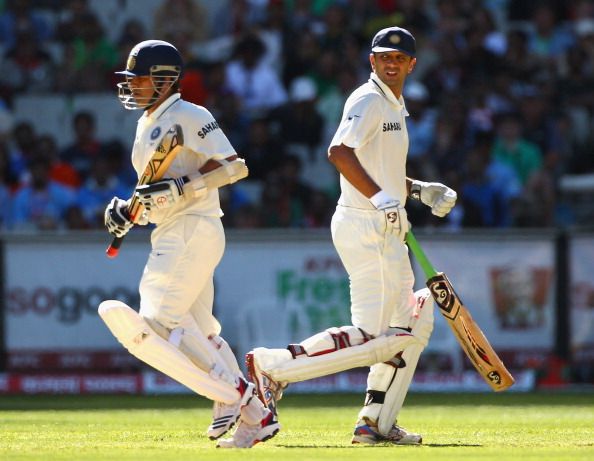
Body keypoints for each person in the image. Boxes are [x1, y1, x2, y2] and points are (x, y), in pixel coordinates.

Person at [246, 27, 457, 445]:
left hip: (385, 226)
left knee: (413, 320)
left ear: (412, 64)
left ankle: (375, 421)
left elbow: (382, 168)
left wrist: (416, 190)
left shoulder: (394, 104)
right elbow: (339, 152)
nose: (391, 63)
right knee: (379, 338)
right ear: (372, 61)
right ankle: (274, 366)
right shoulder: (368, 99)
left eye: (399, 58)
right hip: (367, 226)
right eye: (383, 57)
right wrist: (381, 199)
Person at [98, 40, 279, 449]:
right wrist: (129, 212)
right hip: (173, 229)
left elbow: (235, 167)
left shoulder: (191, 115)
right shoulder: (147, 123)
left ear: (163, 79)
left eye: (139, 79)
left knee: (161, 320)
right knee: (202, 329)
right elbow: (154, 191)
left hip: (193, 227)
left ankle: (249, 405)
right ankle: (239, 413)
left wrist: (183, 187)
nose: (131, 87)